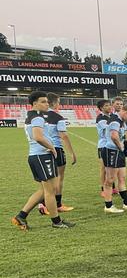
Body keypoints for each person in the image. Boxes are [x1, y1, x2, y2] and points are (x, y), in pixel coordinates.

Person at [11, 91, 75, 230]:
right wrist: (51, 148)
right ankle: (56, 221)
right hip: (42, 156)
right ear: (35, 103)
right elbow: (38, 137)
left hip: (36, 156)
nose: (47, 104)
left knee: (43, 190)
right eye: (43, 102)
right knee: (50, 191)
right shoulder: (37, 118)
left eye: (47, 101)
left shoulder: (32, 116)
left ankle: (21, 216)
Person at [37, 92, 77, 215]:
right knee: (58, 178)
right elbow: (63, 136)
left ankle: (42, 203)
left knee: (47, 180)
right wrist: (72, 153)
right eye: (59, 102)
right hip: (56, 149)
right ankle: (57, 204)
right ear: (53, 103)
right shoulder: (57, 117)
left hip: (43, 149)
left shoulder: (38, 116)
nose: (59, 104)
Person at [101, 104, 127, 213]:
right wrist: (121, 147)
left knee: (122, 177)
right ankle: (108, 206)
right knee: (110, 179)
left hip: (118, 152)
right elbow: (114, 136)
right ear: (126, 112)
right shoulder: (115, 120)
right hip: (112, 151)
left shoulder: (120, 121)